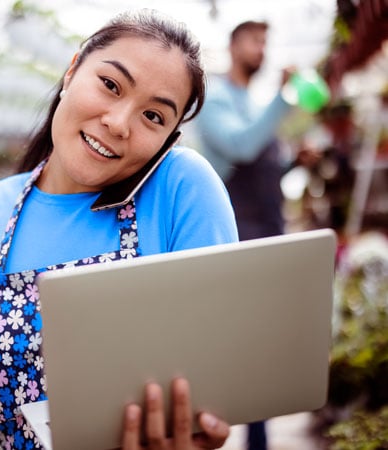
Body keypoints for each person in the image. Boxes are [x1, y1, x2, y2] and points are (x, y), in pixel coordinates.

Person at [0, 9, 237, 450]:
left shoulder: (181, 188)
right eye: (110, 85)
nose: (118, 124)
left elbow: (219, 378)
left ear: (169, 138)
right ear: (72, 70)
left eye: (154, 117)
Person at [195, 20, 293, 450]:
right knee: (240, 347)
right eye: (255, 41)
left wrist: (291, 162)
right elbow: (243, 147)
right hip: (239, 235)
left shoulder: (247, 101)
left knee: (264, 349)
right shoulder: (216, 99)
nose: (262, 50)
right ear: (233, 46)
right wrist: (284, 99)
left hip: (266, 232)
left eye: (265, 42)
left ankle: (258, 438)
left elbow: (264, 163)